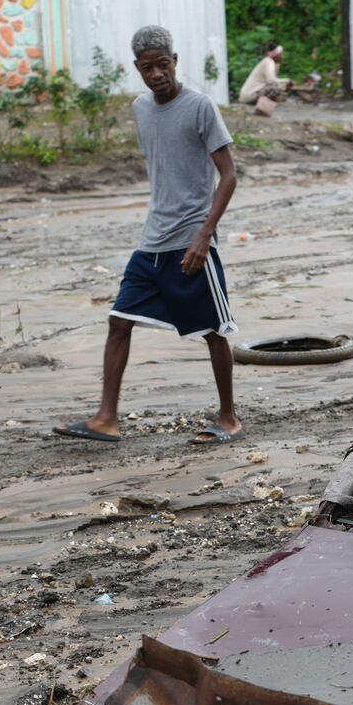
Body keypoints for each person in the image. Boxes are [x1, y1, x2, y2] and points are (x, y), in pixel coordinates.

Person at [54, 25, 241, 445]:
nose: (156, 74)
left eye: (162, 65)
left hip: (191, 242)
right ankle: (106, 418)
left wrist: (204, 235)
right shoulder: (141, 109)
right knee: (119, 321)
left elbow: (228, 175)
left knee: (213, 332)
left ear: (175, 62)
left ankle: (228, 417)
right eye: (146, 68)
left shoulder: (200, 107)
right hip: (152, 243)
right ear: (137, 69)